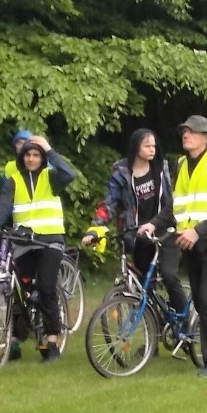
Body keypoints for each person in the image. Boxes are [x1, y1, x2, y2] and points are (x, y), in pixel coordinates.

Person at [139, 115, 207, 378]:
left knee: (206, 301)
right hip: (189, 242)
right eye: (184, 131)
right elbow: (175, 206)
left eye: (191, 132)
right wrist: (154, 223)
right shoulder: (181, 164)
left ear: (205, 137)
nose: (185, 135)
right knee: (205, 304)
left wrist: (198, 231)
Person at [0, 135, 76, 362]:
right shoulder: (14, 180)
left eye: (36, 155)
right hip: (24, 242)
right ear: (21, 157)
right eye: (28, 154)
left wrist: (49, 148)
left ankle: (52, 341)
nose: (32, 158)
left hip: (50, 241)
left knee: (46, 289)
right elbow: (2, 207)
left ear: (42, 157)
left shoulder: (51, 176)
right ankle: (16, 339)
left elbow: (70, 174)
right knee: (18, 291)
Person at [82, 128, 186, 315]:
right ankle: (153, 332)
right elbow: (109, 204)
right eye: (147, 145)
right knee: (145, 285)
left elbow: (171, 201)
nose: (152, 149)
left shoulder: (161, 169)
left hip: (165, 231)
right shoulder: (121, 174)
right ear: (135, 147)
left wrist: (160, 223)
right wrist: (95, 228)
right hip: (137, 235)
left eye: (154, 145)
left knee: (169, 275)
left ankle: (183, 321)